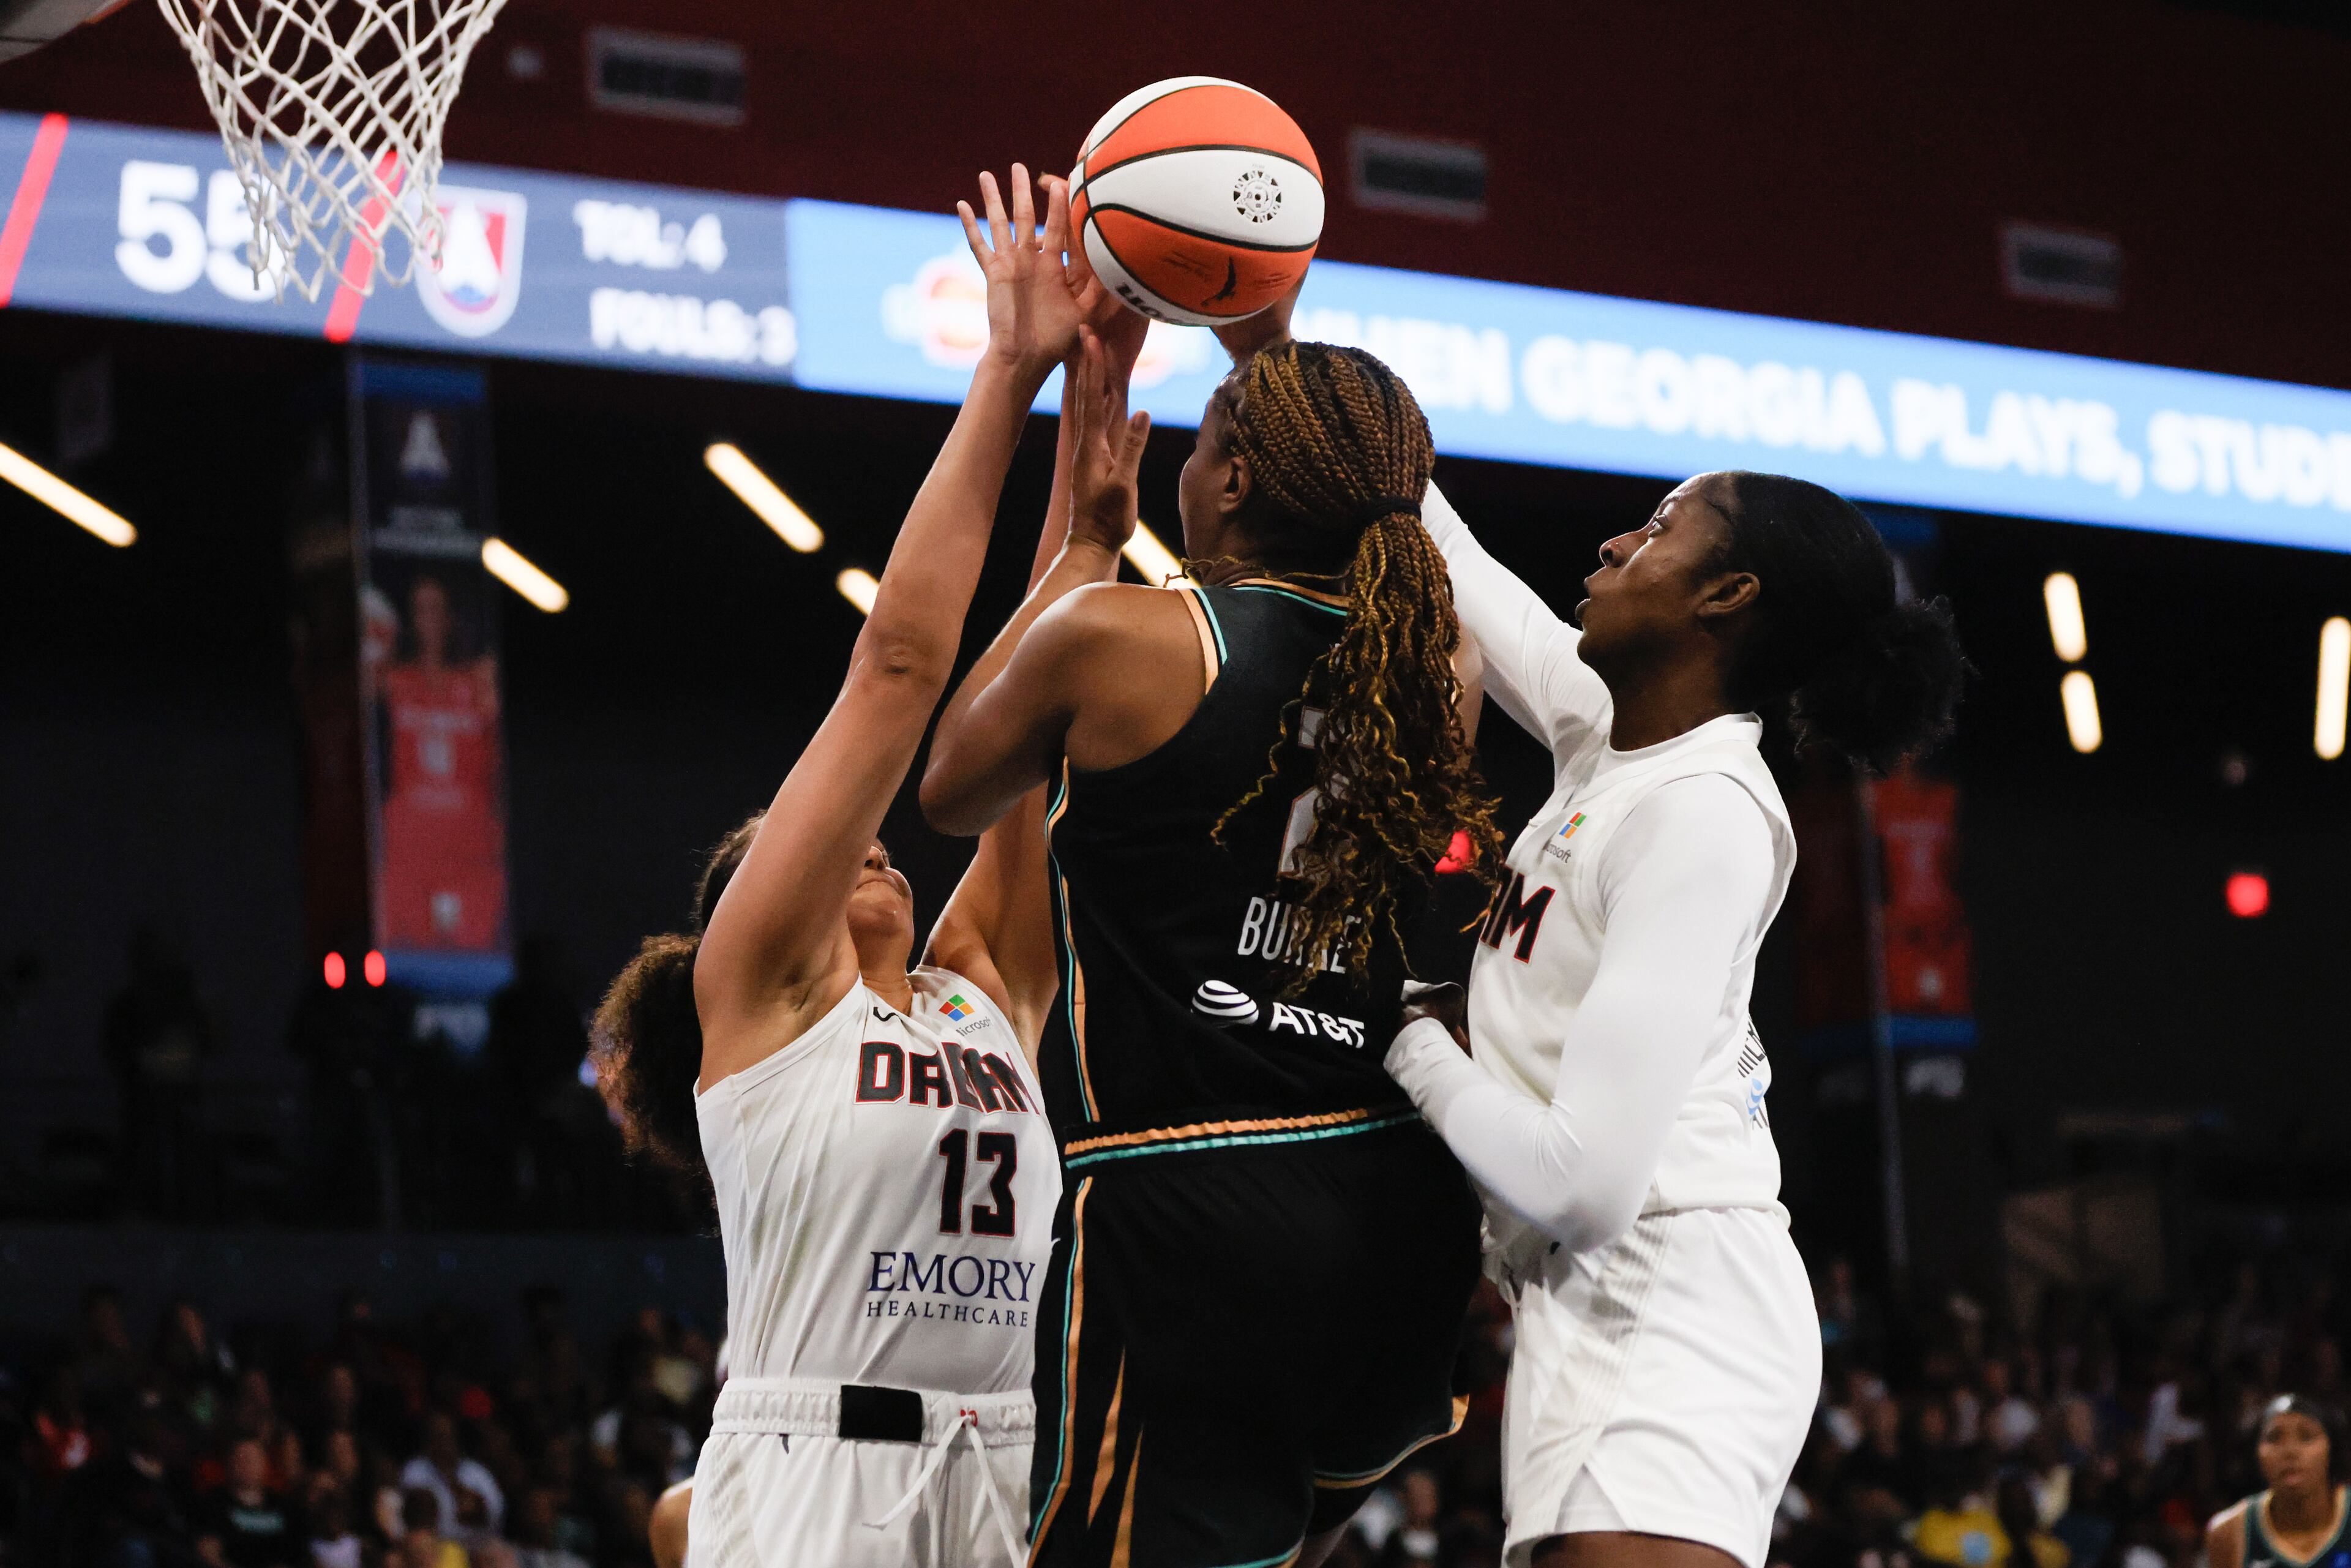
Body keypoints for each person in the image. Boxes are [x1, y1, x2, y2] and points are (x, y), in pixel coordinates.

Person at [921, 281, 1496, 1561]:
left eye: (1204, 442)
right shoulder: (1438, 666)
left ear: (1230, 483)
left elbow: (954, 786)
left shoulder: (1124, 635)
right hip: (1392, 1202)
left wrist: (1085, 541)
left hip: (1191, 1198)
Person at [590, 166, 1086, 1568]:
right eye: (788, 853)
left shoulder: (983, 984)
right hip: (819, 1469)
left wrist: (1095, 417)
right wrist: (1006, 372)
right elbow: (903, 666)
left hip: (992, 1461)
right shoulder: (761, 1003)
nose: (854, 838)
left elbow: (1042, 695)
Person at [1381, 467, 1966, 1568]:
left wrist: (1409, 1035)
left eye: (1656, 530)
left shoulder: (1704, 815)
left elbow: (1579, 1185)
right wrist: (1263, 335)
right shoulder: (1616, 737)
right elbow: (1452, 556)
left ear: (1726, 593)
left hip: (1664, 1295)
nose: (1612, 544)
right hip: (1607, 1298)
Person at [2207, 1395, 2349, 1568]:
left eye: (2306, 1437)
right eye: (2274, 1438)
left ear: (2332, 1448)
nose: (2290, 1451)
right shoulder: (2229, 1533)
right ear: (2255, 1452)